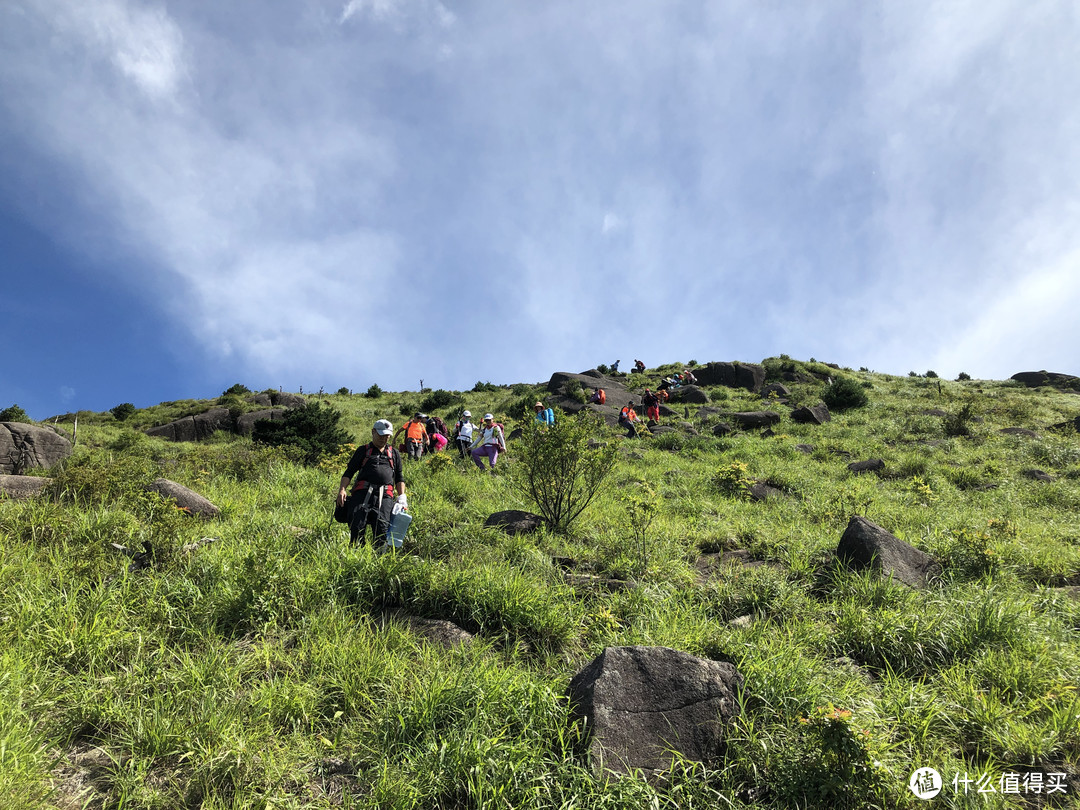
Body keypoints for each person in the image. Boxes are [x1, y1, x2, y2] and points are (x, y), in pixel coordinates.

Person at [337, 419, 406, 546]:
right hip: (362, 493)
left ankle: (379, 559)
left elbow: (399, 477)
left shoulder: (394, 453)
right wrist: (342, 489)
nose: (384, 439)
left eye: (387, 436)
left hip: (385, 495)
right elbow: (349, 472)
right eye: (381, 435)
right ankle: (356, 554)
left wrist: (402, 497)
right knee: (356, 525)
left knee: (382, 528)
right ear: (373, 432)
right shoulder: (363, 451)